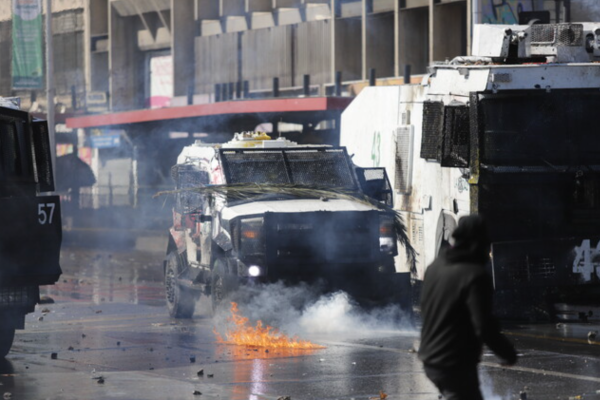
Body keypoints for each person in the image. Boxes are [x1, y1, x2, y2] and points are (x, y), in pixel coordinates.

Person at [418, 214, 517, 400]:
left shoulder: (435, 266)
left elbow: (426, 307)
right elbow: (483, 324)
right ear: (477, 244)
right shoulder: (475, 276)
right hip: (453, 362)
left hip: (429, 358)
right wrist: (507, 353)